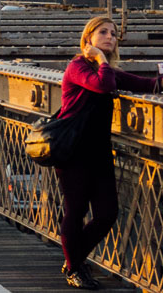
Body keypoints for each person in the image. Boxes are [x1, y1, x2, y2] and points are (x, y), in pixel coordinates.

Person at [54, 16, 159, 289]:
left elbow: (146, 85)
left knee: (107, 213)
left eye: (113, 33)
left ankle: (73, 260)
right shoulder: (78, 66)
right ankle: (75, 268)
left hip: (99, 153)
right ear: (88, 38)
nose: (110, 37)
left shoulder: (107, 70)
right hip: (74, 152)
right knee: (75, 211)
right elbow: (103, 86)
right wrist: (100, 59)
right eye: (103, 32)